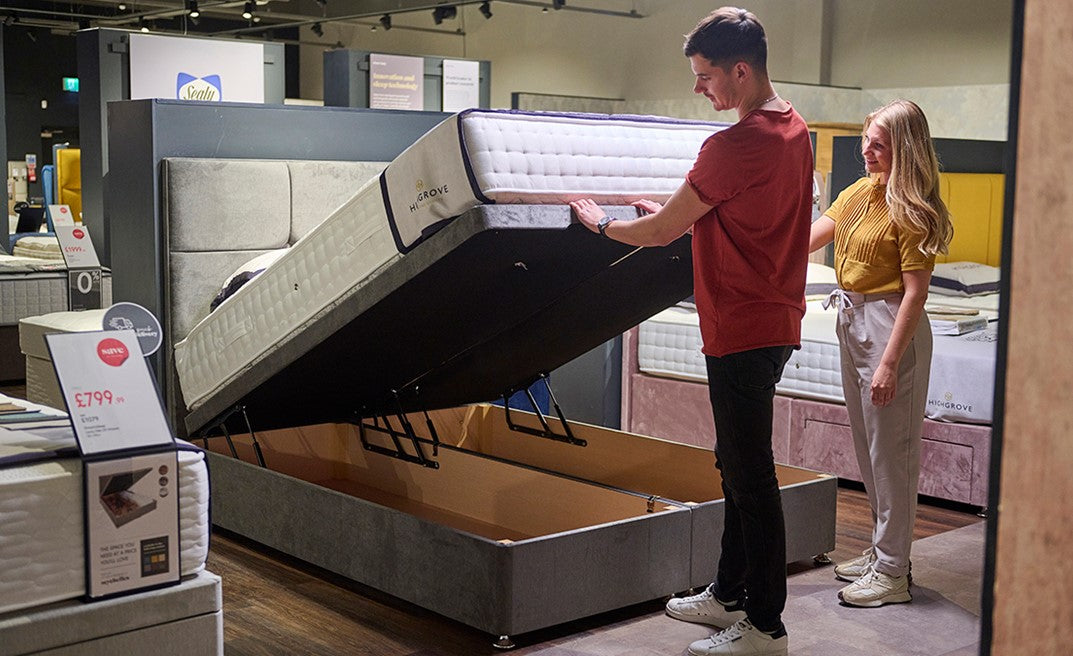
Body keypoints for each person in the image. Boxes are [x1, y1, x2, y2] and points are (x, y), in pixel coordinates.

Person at [570, 7, 812, 656]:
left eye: (705, 77)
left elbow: (653, 235)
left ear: (739, 70)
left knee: (750, 477)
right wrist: (684, 216)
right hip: (774, 321)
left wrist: (600, 224)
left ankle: (764, 626)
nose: (698, 88)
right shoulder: (793, 129)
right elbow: (738, 216)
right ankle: (727, 593)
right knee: (735, 467)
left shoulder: (733, 144)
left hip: (740, 326)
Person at [809, 99, 953, 607]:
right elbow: (808, 241)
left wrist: (890, 362)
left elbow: (915, 292)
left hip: (892, 327)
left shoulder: (911, 209)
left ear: (905, 149)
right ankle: (882, 552)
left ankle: (893, 572)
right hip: (852, 321)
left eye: (879, 144)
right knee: (870, 451)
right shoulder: (857, 192)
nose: (866, 151)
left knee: (893, 454)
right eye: (866, 140)